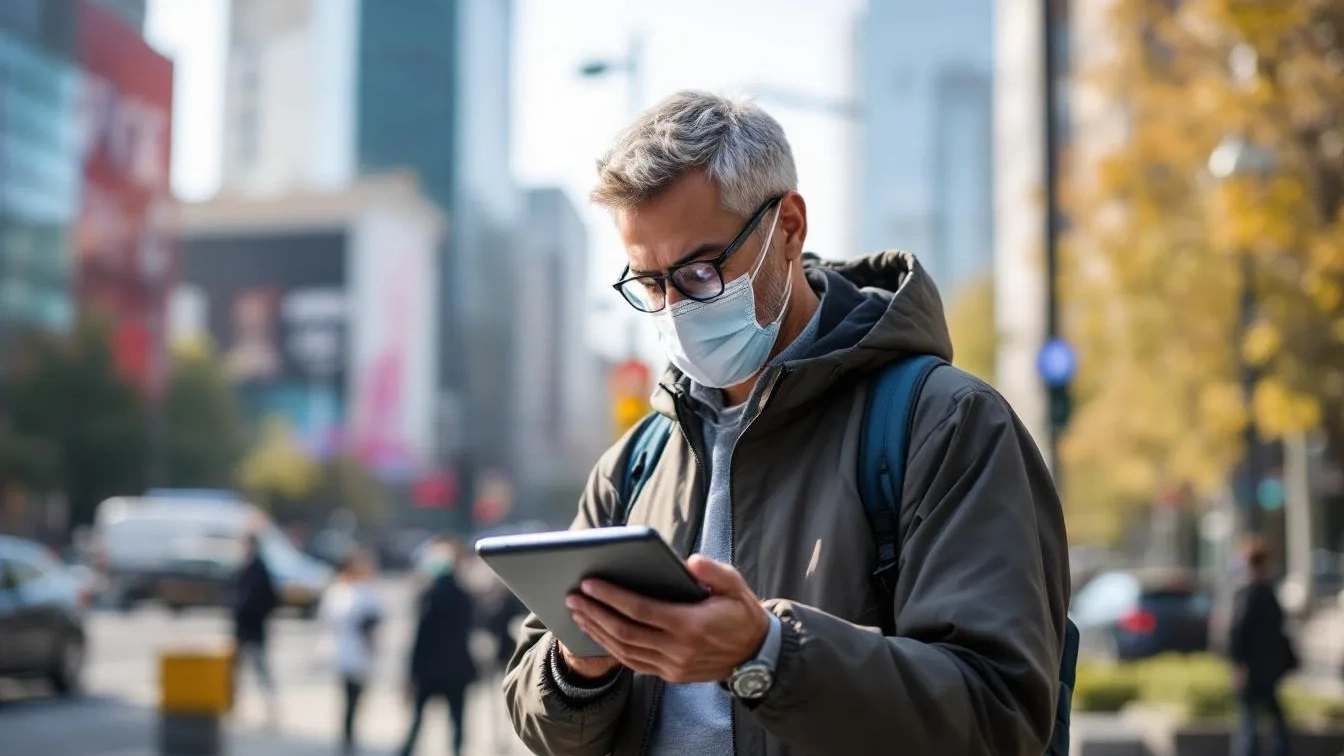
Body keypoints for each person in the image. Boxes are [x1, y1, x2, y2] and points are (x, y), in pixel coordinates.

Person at [501, 91, 1070, 756]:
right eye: (650, 284)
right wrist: (580, 669)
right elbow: (538, 707)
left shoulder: (945, 426)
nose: (675, 308)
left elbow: (1000, 718)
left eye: (701, 270)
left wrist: (768, 653)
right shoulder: (635, 464)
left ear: (790, 227)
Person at [401, 538, 477, 756]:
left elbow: (420, 638)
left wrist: (410, 673)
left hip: (428, 671)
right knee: (457, 722)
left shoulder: (429, 595)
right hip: (457, 670)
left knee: (417, 720)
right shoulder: (464, 596)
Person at [1229, 538, 1297, 756]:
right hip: (1256, 670)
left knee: (1259, 723)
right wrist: (1239, 665)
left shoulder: (1253, 593)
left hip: (1259, 669)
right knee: (1254, 724)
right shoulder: (1256, 594)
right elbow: (1238, 633)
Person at [319, 547, 384, 755]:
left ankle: (350, 735)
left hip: (363, 652)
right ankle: (347, 738)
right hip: (345, 651)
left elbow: (377, 619)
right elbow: (331, 619)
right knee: (348, 698)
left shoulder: (369, 590)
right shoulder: (340, 590)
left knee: (358, 699)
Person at [232, 533, 279, 724]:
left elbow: (271, 599)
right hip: (243, 630)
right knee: (238, 673)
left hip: (255, 629)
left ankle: (270, 710)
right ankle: (236, 707)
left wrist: (253, 611)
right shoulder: (244, 567)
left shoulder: (259, 569)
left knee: (261, 672)